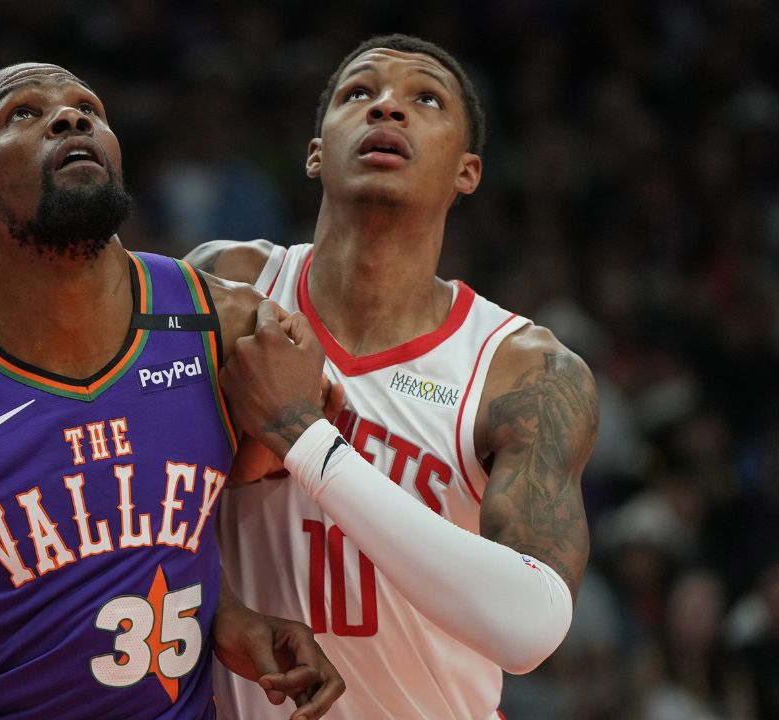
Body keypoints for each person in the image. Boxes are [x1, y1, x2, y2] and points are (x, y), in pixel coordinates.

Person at [0, 62, 344, 720]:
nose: (71, 116)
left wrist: (227, 612)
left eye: (89, 108)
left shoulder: (221, 325)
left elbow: (174, 526)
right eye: (22, 113)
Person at [188, 34, 599, 719]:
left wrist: (304, 440)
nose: (388, 108)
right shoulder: (227, 287)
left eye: (425, 99)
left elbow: (530, 628)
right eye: (359, 93)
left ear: (467, 172)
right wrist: (223, 611)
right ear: (316, 152)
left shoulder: (523, 369)